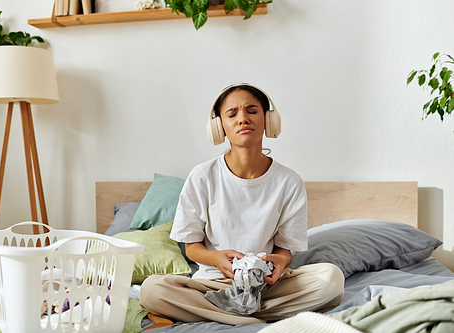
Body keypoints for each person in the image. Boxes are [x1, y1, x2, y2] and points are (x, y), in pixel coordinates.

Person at [139, 84, 344, 325]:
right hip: (212, 285)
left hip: (266, 285)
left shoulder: (289, 182)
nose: (243, 119)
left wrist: (280, 261)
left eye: (252, 110)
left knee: (331, 279)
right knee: (151, 289)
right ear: (219, 127)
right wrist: (216, 258)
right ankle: (252, 316)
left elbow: (284, 250)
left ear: (268, 120)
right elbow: (192, 247)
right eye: (232, 113)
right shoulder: (202, 177)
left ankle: (229, 314)